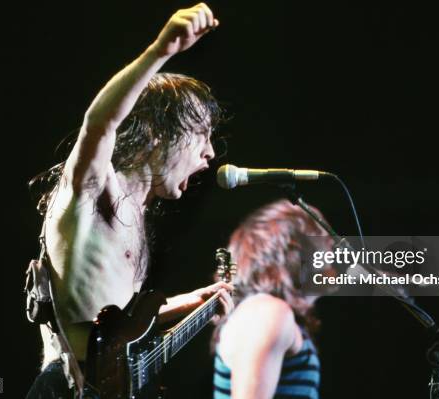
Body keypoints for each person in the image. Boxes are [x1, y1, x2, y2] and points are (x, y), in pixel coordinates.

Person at [26, 3, 233, 398]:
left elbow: (109, 330)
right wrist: (162, 50)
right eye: (201, 134)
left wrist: (187, 304)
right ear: (159, 133)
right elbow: (98, 125)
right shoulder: (94, 190)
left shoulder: (134, 214)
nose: (210, 153)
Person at [213, 200, 334, 399]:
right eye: (326, 241)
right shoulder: (268, 312)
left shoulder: (266, 311)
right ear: (297, 252)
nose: (333, 251)